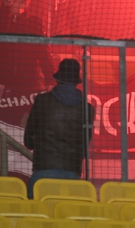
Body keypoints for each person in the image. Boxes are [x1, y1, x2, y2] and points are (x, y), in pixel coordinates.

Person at [24, 59, 95, 198]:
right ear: (76, 82)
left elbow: (28, 139)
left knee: (36, 213)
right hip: (72, 170)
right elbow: (85, 143)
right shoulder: (87, 109)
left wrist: (38, 143)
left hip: (44, 169)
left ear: (57, 79)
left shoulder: (42, 101)